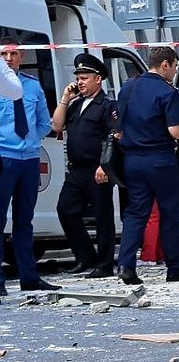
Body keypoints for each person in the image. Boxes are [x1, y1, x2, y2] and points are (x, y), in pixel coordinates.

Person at [113, 46, 179, 285]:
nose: (175, 71)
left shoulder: (129, 87)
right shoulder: (168, 92)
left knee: (136, 213)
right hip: (160, 159)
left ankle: (126, 266)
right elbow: (174, 130)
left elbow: (118, 125)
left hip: (132, 160)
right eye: (175, 66)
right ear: (165, 65)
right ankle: (174, 267)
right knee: (169, 213)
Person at [51, 53, 118, 278]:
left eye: (85, 77)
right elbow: (57, 125)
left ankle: (105, 264)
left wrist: (105, 166)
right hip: (77, 169)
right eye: (78, 77)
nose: (80, 81)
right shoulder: (75, 104)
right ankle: (85, 256)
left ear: (98, 79)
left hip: (97, 169)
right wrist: (64, 99)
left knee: (103, 216)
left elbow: (114, 135)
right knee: (65, 209)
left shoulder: (107, 105)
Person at [0, 36, 57, 293]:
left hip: (29, 159)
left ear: (22, 56)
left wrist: (32, 139)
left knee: (25, 220)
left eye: (13, 54)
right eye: (4, 55)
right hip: (4, 157)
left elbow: (45, 122)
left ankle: (29, 278)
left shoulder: (32, 86)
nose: (9, 59)